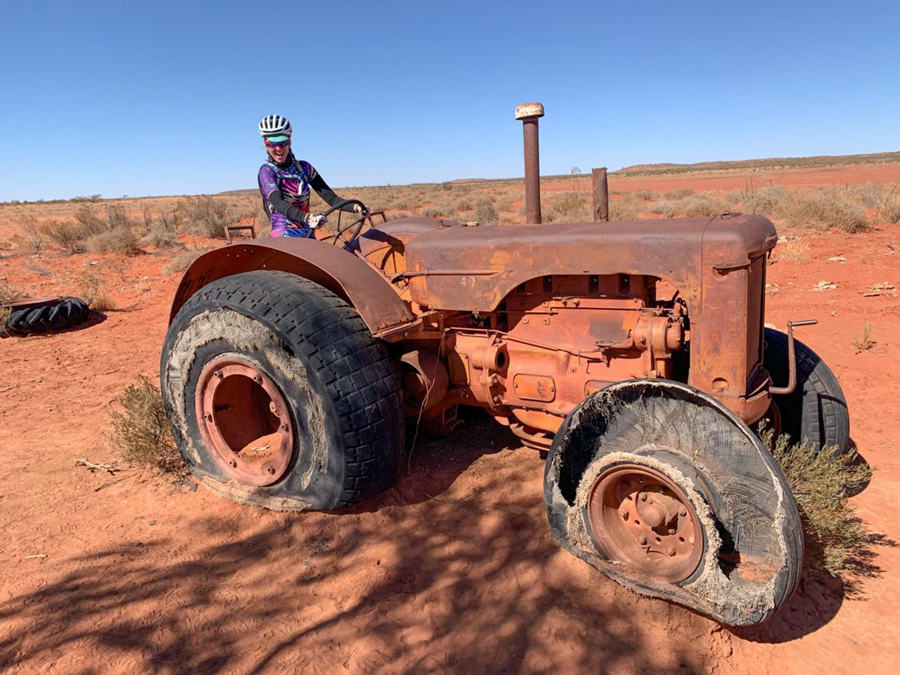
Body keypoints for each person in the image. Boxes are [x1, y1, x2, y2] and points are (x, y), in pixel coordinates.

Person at [257, 114, 367, 238]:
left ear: (289, 141)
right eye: (271, 143)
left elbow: (332, 198)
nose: (277, 148)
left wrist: (356, 207)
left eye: (282, 142)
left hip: (308, 233)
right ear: (265, 144)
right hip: (284, 235)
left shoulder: (304, 168)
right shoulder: (267, 171)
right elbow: (277, 202)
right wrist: (307, 217)